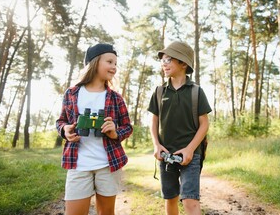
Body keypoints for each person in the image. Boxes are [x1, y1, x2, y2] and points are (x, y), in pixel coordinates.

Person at [56, 43, 133, 215]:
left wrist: (115, 132)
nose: (114, 67)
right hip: (78, 163)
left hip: (108, 164)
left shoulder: (115, 98)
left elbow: (127, 127)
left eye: (115, 63)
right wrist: (65, 130)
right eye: (110, 62)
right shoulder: (72, 93)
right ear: (95, 62)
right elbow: (61, 121)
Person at [148, 41, 212, 215]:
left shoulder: (196, 92)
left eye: (169, 59)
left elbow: (204, 124)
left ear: (183, 63)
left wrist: (190, 149)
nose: (164, 63)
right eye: (162, 59)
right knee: (170, 199)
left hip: (191, 156)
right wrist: (156, 145)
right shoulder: (160, 92)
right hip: (166, 155)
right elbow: (153, 122)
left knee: (190, 201)